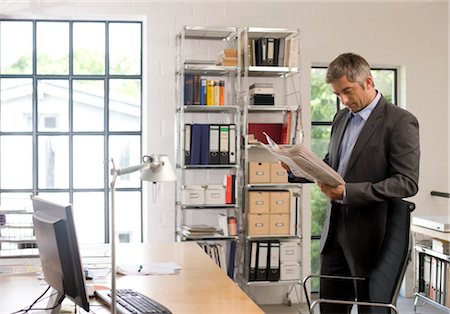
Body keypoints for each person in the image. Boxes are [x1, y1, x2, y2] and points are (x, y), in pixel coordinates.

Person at [289, 53, 420, 313]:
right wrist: (295, 167)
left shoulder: (400, 121)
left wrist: (349, 192)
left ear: (368, 82)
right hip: (334, 234)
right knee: (330, 308)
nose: (344, 100)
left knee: (370, 310)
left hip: (371, 238)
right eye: (338, 94)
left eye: (348, 91)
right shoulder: (341, 119)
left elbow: (406, 182)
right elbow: (330, 165)